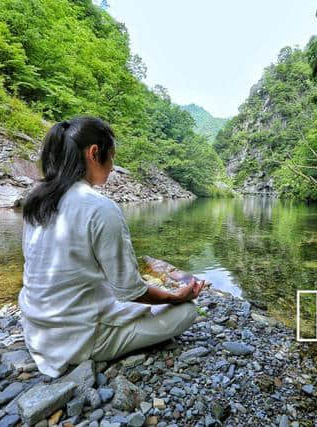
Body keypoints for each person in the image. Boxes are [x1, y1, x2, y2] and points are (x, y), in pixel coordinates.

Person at [19, 116, 203, 378]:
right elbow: (131, 291)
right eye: (112, 156)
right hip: (78, 341)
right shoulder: (100, 208)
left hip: (36, 332)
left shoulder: (36, 201)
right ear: (94, 153)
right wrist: (176, 297)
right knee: (185, 312)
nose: (113, 166)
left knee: (135, 306)